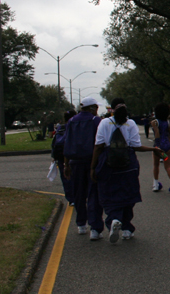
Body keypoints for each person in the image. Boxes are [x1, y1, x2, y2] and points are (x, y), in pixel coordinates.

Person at [90, 98, 161, 243]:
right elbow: (136, 146)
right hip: (128, 164)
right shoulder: (131, 124)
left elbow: (98, 146)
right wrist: (153, 149)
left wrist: (93, 167)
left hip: (108, 163)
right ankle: (127, 229)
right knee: (128, 194)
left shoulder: (104, 123)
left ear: (112, 110)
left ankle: (114, 219)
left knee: (109, 195)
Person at [62, 98, 103, 239]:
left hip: (75, 162)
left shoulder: (72, 122)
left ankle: (81, 224)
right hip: (92, 161)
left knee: (79, 193)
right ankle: (95, 228)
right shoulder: (96, 121)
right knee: (93, 194)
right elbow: (100, 144)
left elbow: (66, 144)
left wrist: (66, 164)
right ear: (92, 108)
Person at [151, 103, 170, 193]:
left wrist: (157, 145)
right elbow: (169, 133)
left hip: (159, 146)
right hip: (167, 146)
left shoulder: (155, 122)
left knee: (156, 165)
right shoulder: (167, 122)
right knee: (167, 166)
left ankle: (155, 185)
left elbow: (157, 133)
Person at [51, 109, 76, 206]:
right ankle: (77, 196)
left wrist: (54, 156)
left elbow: (54, 142)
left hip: (60, 156)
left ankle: (71, 198)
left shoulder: (60, 128)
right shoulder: (74, 127)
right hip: (72, 155)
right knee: (75, 176)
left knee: (65, 177)